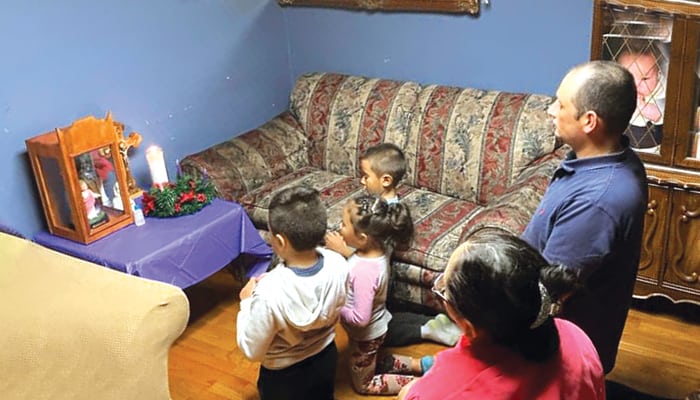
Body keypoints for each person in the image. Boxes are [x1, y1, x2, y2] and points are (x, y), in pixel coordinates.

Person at [521, 60, 648, 375]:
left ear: (589, 121)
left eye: (561, 104)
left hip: (555, 356)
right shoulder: (600, 158)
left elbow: (546, 294)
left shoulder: (598, 201)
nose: (551, 110)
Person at [397, 231, 605, 400]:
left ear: (469, 326)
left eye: (444, 288)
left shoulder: (438, 393)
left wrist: (411, 394)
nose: (441, 287)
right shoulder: (576, 337)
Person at [325, 142, 461, 347]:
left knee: (380, 330)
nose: (362, 181)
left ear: (386, 180)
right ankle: (432, 323)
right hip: (378, 278)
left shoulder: (383, 219)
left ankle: (426, 329)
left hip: (377, 278)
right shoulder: (386, 206)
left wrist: (343, 251)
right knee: (385, 317)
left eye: (366, 176)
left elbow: (374, 252)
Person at [236, 185, 349, 400]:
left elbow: (252, 350)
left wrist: (246, 303)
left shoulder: (269, 292)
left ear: (280, 242)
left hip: (282, 376)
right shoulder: (339, 264)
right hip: (325, 357)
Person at [336, 193, 420, 395]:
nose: (339, 226)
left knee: (364, 384)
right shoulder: (377, 248)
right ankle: (420, 365)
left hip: (367, 334)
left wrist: (336, 307)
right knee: (370, 358)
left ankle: (418, 384)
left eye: (344, 224)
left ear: (363, 238)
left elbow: (360, 318)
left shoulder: (364, 270)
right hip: (375, 329)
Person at [617, 46, 666, 148]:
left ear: (659, 75)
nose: (636, 84)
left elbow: (659, 116)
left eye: (645, 78)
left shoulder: (660, 91)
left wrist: (642, 105)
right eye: (628, 77)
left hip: (651, 145)